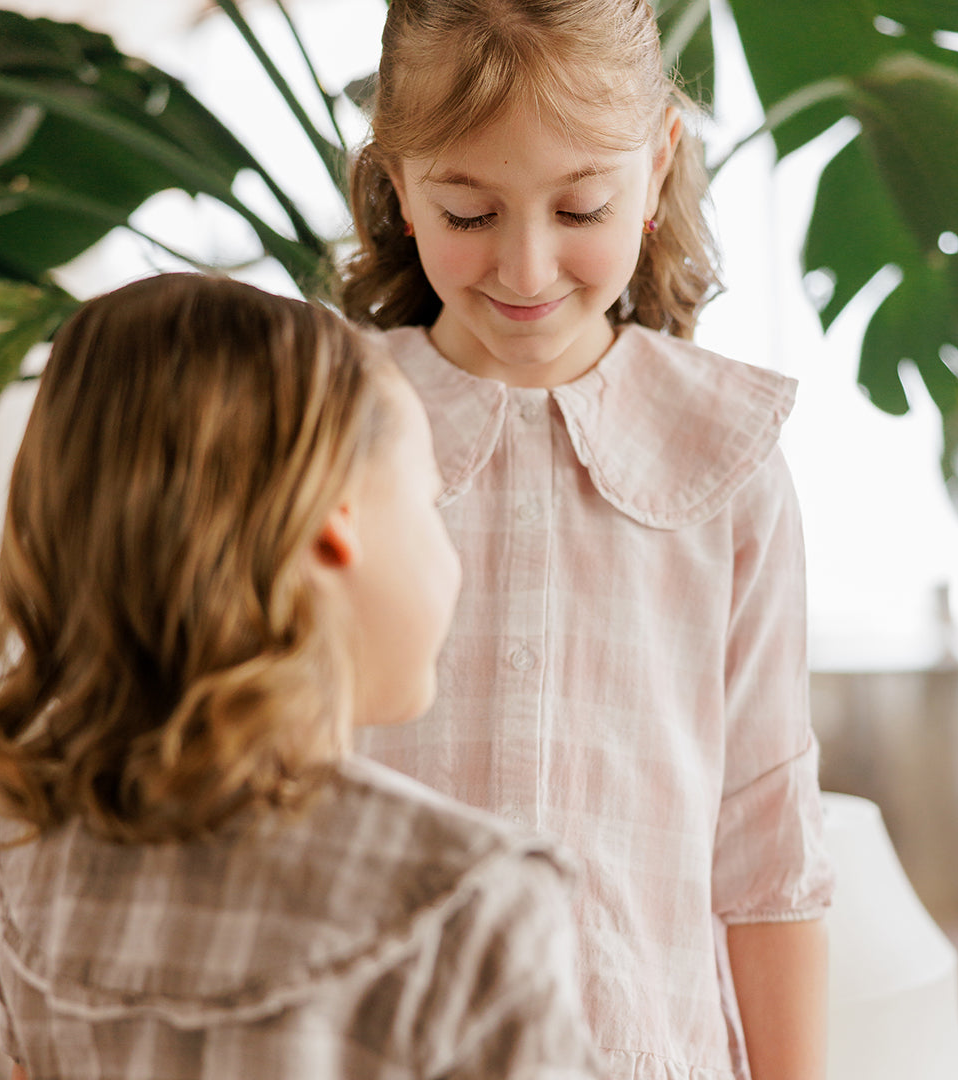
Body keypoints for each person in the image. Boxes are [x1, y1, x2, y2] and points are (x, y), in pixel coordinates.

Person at [341, 2, 835, 1079]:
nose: (525, 271)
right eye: (468, 212)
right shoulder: (323, 427)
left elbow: (768, 852)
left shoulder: (730, 462)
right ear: (396, 182)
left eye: (581, 208)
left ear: (657, 168)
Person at [0, 273, 601, 1080]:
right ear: (334, 523)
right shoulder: (466, 905)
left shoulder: (28, 853)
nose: (447, 553)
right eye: (428, 500)